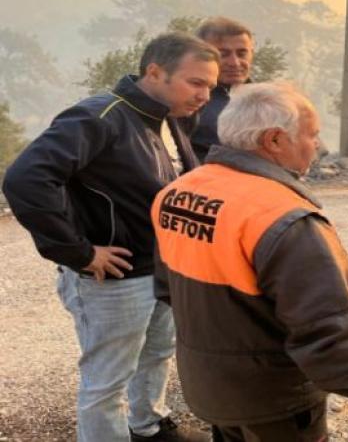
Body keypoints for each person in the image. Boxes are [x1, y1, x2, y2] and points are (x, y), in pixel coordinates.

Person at [151, 81, 348, 441]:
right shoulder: (285, 219)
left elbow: (168, 289)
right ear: (274, 140)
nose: (318, 145)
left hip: (210, 386)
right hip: (274, 400)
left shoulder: (177, 193)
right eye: (312, 135)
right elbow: (327, 330)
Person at [2, 32, 219, 441]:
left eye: (210, 85)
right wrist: (79, 253)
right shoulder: (98, 116)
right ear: (155, 72)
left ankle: (148, 428)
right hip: (114, 278)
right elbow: (25, 179)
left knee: (156, 354)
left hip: (161, 268)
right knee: (107, 383)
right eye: (196, 82)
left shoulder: (169, 117)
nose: (205, 95)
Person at [186, 16, 255, 162]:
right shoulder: (187, 102)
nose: (235, 63)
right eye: (223, 54)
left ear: (252, 54)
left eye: (242, 54)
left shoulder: (265, 100)